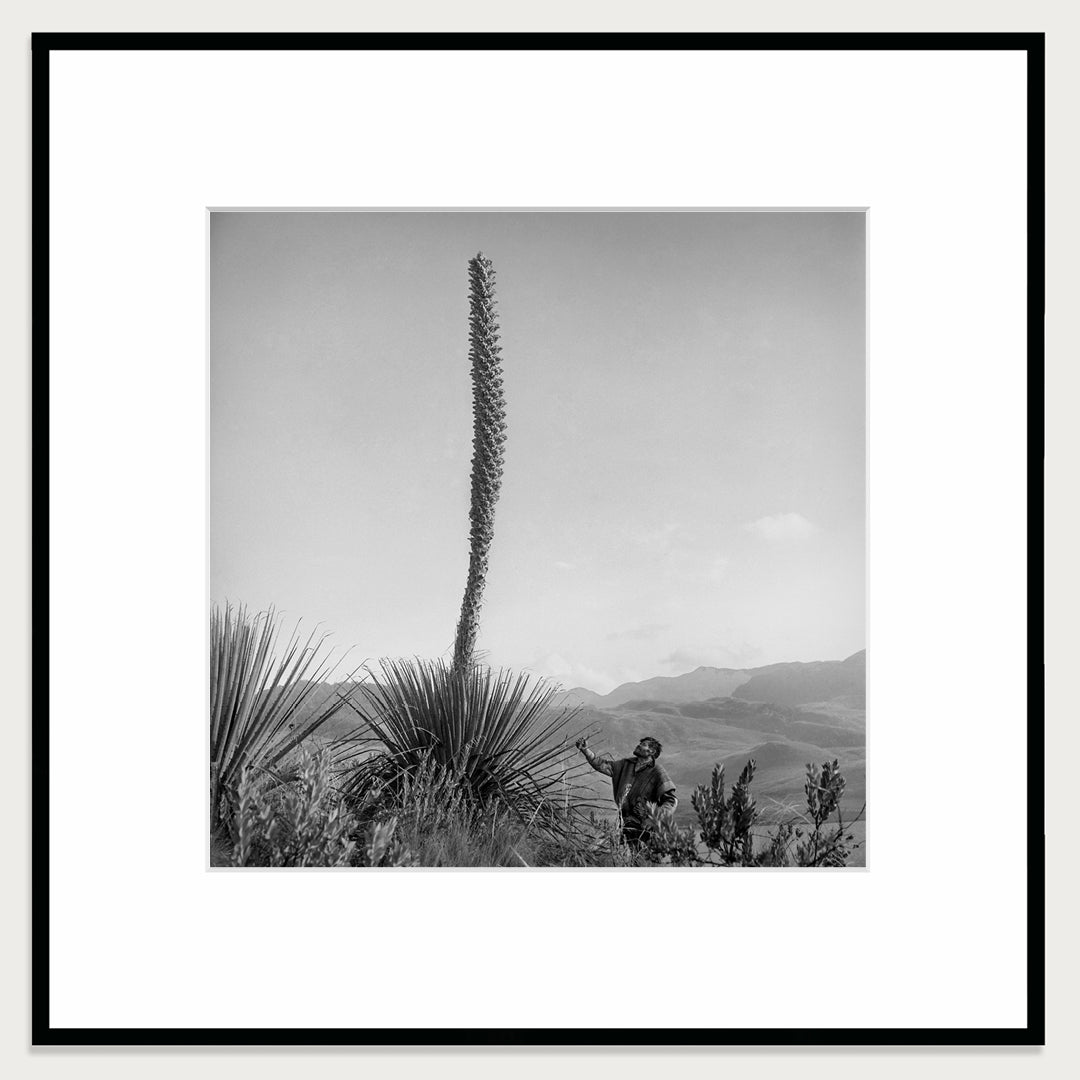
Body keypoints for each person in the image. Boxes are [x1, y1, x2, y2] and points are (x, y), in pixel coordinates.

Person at [575, 735, 677, 848]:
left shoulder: (657, 771)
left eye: (643, 744)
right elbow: (602, 765)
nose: (638, 745)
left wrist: (654, 819)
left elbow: (671, 801)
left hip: (646, 829)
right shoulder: (625, 764)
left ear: (651, 751)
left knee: (641, 860)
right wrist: (585, 750)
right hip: (624, 824)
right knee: (616, 854)